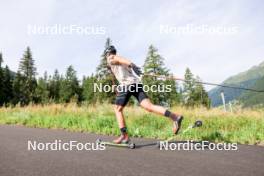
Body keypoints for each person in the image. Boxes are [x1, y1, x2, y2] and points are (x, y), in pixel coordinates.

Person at [105, 45, 184, 144]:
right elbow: (120, 65)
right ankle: (175, 117)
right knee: (148, 106)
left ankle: (124, 136)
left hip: (128, 85)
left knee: (117, 109)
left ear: (108, 53)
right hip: (136, 84)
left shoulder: (111, 57)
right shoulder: (117, 65)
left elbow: (117, 58)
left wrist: (132, 65)